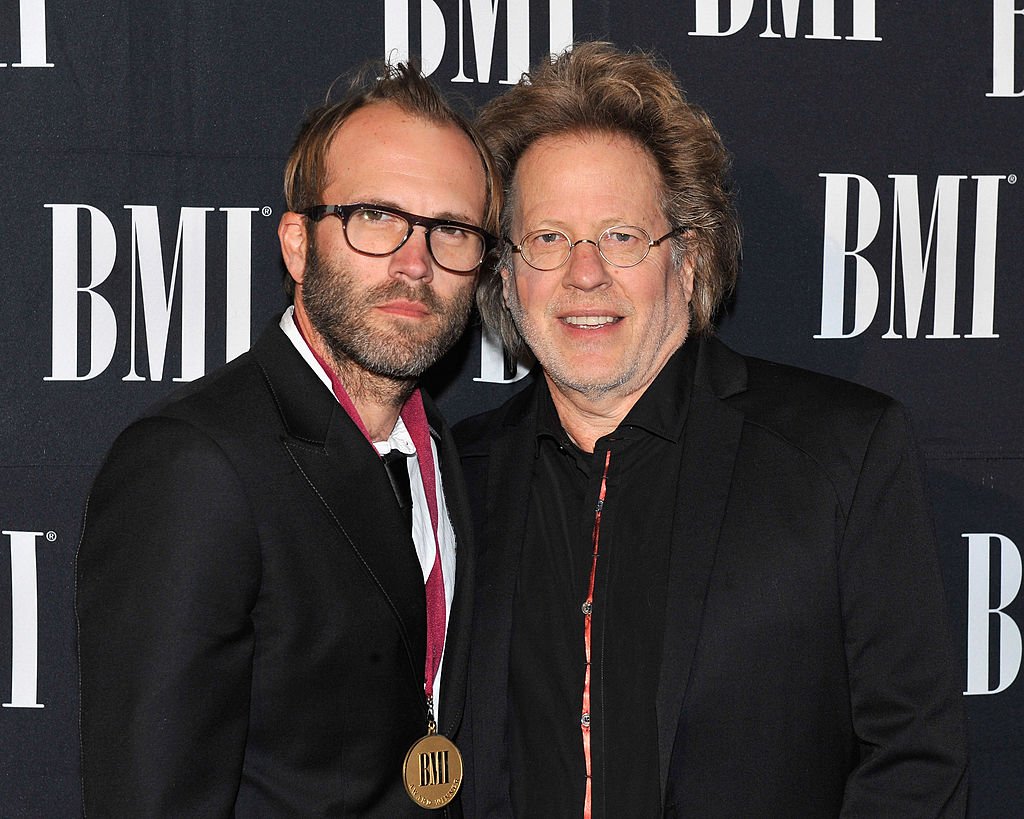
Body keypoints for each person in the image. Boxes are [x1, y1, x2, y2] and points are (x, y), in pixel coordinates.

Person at [455, 42, 967, 817]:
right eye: (550, 238)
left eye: (622, 236)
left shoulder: (841, 455)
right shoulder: (453, 477)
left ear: (688, 261)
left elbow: (915, 762)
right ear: (506, 272)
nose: (584, 272)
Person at [76, 61, 499, 816]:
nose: (415, 261)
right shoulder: (195, 466)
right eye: (375, 215)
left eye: (453, 230)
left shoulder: (444, 454)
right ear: (298, 244)